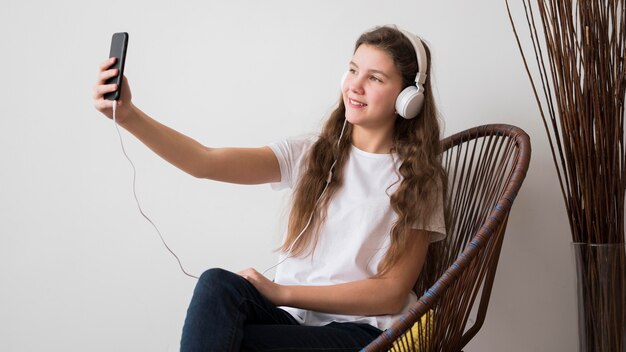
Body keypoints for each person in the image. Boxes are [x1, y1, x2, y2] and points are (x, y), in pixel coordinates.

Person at [93, 24, 446, 351]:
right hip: (294, 321)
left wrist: (281, 292)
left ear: (408, 98)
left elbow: (390, 293)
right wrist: (128, 115)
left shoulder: (419, 180)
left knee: (231, 342)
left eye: (375, 78)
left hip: (362, 332)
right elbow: (204, 161)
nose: (355, 85)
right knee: (217, 285)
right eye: (353, 70)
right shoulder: (310, 154)